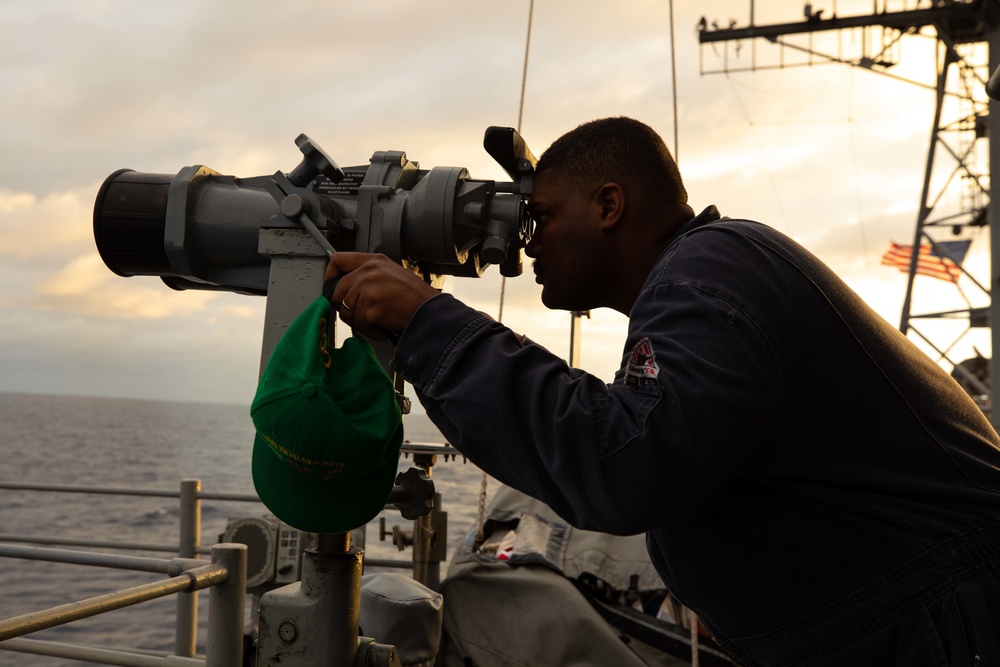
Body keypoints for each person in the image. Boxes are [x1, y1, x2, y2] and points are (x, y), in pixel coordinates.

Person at [326, 117, 1000, 666]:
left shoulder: (709, 272)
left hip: (944, 625)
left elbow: (626, 461)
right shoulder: (707, 276)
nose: (527, 244)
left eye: (543, 217)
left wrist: (428, 324)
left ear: (609, 205)